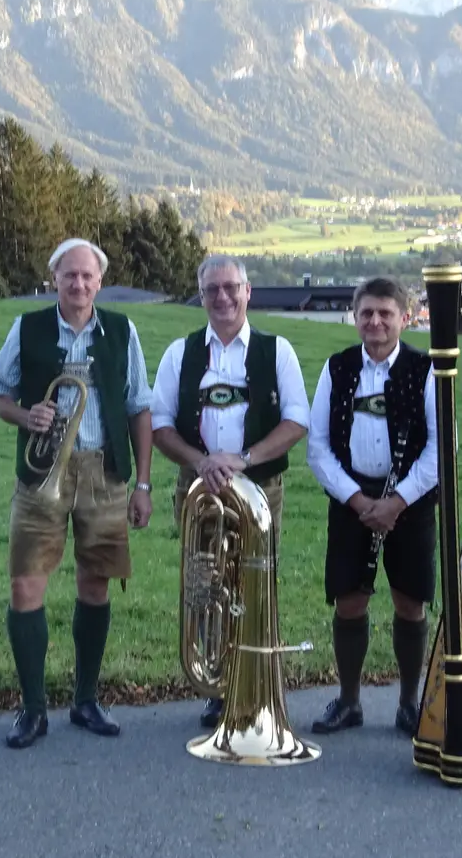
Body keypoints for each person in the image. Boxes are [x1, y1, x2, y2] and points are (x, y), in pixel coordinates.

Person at [0, 238, 155, 749]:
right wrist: (25, 414)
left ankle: (85, 700)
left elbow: (138, 407)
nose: (78, 284)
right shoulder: (28, 327)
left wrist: (143, 483)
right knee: (26, 585)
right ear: (54, 278)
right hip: (41, 473)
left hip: (104, 471)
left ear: (99, 282)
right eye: (69, 275)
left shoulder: (122, 331)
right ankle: (33, 708)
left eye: (87, 276)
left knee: (96, 584)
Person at [150, 255, 310, 729]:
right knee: (208, 586)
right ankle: (219, 686)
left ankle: (260, 684)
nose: (222, 297)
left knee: (256, 585)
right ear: (201, 296)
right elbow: (159, 425)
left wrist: (243, 460)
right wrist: (202, 462)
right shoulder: (180, 353)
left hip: (259, 487)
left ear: (247, 291)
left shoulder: (275, 349)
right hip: (199, 487)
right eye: (211, 289)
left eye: (230, 288)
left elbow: (296, 419)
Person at [305, 276, 438, 738]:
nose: (376, 321)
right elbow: (317, 447)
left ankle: (407, 702)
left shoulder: (425, 370)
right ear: (355, 316)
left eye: (386, 313)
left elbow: (441, 450)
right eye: (367, 313)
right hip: (353, 503)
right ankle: (349, 701)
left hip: (411, 504)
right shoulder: (337, 367)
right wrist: (360, 500)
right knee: (349, 601)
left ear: (404, 318)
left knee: (410, 603)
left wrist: (397, 501)